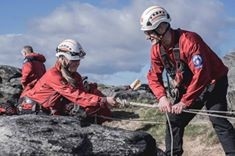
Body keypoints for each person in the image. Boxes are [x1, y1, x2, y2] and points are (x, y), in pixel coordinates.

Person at [140, 5, 235, 156]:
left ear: (162, 26)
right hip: (190, 85)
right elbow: (153, 76)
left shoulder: (190, 41)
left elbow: (202, 74)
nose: (147, 36)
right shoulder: (156, 50)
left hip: (213, 82)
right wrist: (162, 97)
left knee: (218, 118)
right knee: (174, 120)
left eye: (149, 32)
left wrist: (184, 102)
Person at [18, 39, 118, 124]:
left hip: (52, 110)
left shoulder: (75, 76)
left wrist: (103, 103)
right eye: (73, 60)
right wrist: (102, 101)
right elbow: (74, 95)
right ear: (62, 58)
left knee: (95, 107)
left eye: (78, 60)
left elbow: (83, 95)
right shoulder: (53, 75)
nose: (77, 63)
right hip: (33, 110)